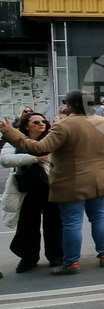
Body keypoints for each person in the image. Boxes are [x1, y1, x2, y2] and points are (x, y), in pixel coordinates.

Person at [0, 90, 104, 275]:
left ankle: (71, 263)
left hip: (71, 180)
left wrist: (11, 133)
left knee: (71, 222)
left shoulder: (64, 125)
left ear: (70, 105)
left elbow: (40, 148)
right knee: (99, 217)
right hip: (99, 178)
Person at [1, 112, 62, 273]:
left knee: (54, 224)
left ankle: (55, 256)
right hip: (27, 190)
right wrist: (35, 158)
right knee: (27, 225)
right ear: (27, 125)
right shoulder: (16, 140)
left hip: (51, 187)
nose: (41, 124)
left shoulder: (51, 139)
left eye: (43, 121)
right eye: (36, 122)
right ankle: (29, 258)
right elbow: (6, 160)